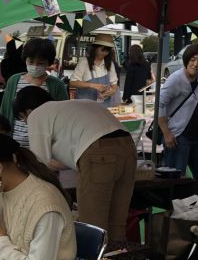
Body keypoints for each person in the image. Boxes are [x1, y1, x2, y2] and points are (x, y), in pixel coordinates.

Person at [14, 87, 136, 243]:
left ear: (28, 111)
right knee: (117, 224)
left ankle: (98, 258)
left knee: (94, 226)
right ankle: (119, 256)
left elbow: (38, 163)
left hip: (98, 154)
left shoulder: (36, 114)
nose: (26, 122)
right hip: (128, 148)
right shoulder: (72, 107)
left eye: (22, 118)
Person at [158, 41, 198, 197]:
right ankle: (176, 210)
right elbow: (159, 104)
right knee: (176, 179)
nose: (195, 64)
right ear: (186, 59)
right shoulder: (175, 79)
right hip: (178, 136)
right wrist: (166, 133)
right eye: (192, 59)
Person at [0, 37, 69, 147]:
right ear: (25, 59)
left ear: (48, 63)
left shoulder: (57, 85)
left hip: (45, 146)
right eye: (31, 61)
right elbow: (4, 111)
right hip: (16, 143)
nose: (35, 66)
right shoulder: (14, 81)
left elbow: (64, 117)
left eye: (40, 63)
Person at [70, 33, 119, 106]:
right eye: (102, 50)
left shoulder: (110, 64)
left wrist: (111, 91)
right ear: (95, 48)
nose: (105, 53)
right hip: (85, 107)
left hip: (104, 106)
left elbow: (114, 84)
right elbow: (72, 82)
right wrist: (92, 85)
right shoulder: (84, 62)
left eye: (107, 51)